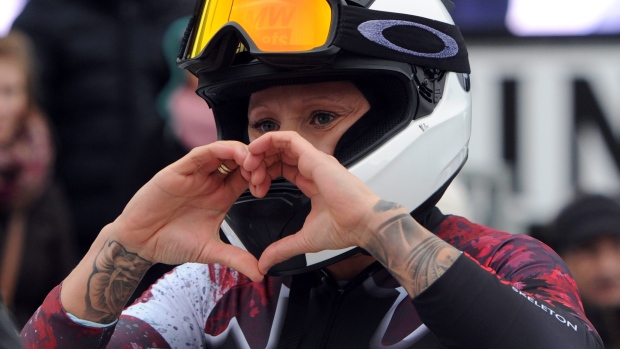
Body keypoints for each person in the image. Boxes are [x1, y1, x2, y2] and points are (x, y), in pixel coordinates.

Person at [21, 0, 603, 348]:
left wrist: (381, 231)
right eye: (262, 121)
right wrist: (122, 244)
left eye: (321, 117)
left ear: (410, 115)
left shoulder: (500, 263)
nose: (279, 148)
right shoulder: (216, 289)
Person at [0, 30, 78, 328]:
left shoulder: (41, 189)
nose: (1, 107)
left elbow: (64, 297)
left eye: (9, 91)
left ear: (27, 97)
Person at [540, 194, 620, 348]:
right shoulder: (541, 334)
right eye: (588, 249)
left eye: (617, 246)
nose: (606, 267)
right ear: (559, 259)